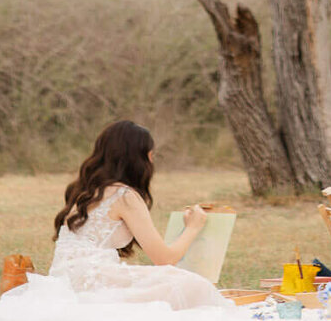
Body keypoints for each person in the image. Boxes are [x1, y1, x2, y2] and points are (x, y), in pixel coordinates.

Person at [46, 119, 226, 309]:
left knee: (169, 283)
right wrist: (193, 227)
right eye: (151, 155)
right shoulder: (125, 196)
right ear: (140, 159)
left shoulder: (86, 191)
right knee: (195, 286)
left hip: (63, 282)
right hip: (92, 284)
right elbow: (165, 259)